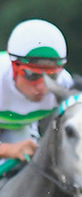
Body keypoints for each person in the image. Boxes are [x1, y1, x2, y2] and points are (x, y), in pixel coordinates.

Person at [0, 19, 72, 178]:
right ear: (13, 66)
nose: (42, 86)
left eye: (52, 76)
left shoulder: (65, 84)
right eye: (32, 75)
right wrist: (9, 150)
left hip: (18, 128)